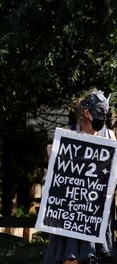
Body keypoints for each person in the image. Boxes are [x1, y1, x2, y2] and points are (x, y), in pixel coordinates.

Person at [43, 89, 116, 264]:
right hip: (71, 211)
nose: (103, 116)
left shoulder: (109, 136)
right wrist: (54, 148)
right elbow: (52, 158)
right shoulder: (69, 133)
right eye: (100, 112)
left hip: (95, 212)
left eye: (105, 113)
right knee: (70, 258)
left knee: (94, 258)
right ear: (86, 112)